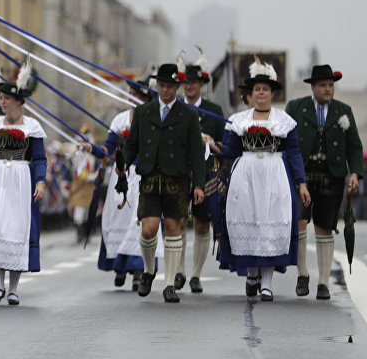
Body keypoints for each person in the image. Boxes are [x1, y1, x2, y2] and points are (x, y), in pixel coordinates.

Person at [212, 59, 310, 301]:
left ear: (272, 93)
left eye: (266, 89)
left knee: (270, 224)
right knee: (249, 222)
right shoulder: (239, 120)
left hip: (274, 175)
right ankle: (252, 273)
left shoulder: (284, 121)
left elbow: (294, 152)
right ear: (251, 94)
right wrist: (213, 145)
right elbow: (230, 151)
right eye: (257, 89)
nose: (262, 93)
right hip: (245, 176)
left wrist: (302, 182)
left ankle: (266, 283)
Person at [119, 63, 206, 304]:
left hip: (177, 179)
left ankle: (169, 284)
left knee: (172, 228)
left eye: (169, 86)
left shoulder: (188, 115)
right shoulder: (144, 112)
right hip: (149, 177)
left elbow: (197, 153)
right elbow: (131, 145)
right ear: (157, 86)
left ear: (177, 87)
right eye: (161, 85)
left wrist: (199, 184)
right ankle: (148, 271)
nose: (165, 90)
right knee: (147, 230)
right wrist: (124, 162)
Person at [0, 60, 47, 306]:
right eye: (1, 98)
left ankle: (14, 288)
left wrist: (40, 181)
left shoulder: (32, 126)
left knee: (16, 229)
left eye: (6, 98)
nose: (2, 102)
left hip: (21, 180)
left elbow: (39, 158)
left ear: (19, 101)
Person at [285, 64, 362, 300]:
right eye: (323, 85)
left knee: (324, 227)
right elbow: (285, 140)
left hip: (333, 176)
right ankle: (303, 274)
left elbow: (355, 147)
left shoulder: (344, 110)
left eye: (331, 85)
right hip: (302, 176)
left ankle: (324, 282)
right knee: (299, 220)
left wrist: (355, 174)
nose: (328, 89)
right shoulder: (296, 108)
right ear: (313, 87)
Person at [88, 78, 156, 292]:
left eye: (137, 95)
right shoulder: (119, 120)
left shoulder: (153, 118)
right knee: (117, 219)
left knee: (139, 221)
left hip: (144, 174)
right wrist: (92, 149)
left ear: (146, 98)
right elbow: (108, 149)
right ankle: (119, 267)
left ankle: (138, 271)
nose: (131, 98)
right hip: (122, 175)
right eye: (130, 94)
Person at [174, 52, 226, 294]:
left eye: (194, 82)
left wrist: (211, 141)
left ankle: (195, 274)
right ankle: (179, 272)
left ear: (202, 84)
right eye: (186, 82)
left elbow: (226, 147)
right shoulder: (175, 109)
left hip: (205, 174)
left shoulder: (214, 111)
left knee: (202, 224)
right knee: (178, 222)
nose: (190, 86)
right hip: (179, 171)